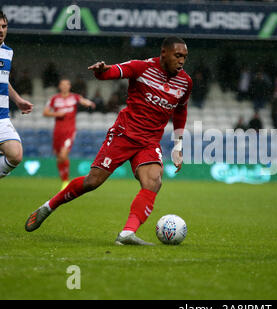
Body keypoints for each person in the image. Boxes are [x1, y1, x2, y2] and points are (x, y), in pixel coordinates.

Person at [25, 37, 192, 246]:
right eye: (178, 56)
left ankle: (126, 234)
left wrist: (178, 144)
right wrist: (101, 70)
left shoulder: (185, 82)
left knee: (154, 182)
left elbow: (180, 112)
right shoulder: (141, 67)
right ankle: (48, 206)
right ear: (164, 53)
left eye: (184, 57)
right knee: (92, 182)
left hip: (149, 142)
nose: (181, 61)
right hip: (124, 134)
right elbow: (112, 72)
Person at [43, 78, 96, 189]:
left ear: (69, 86)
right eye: (63, 84)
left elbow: (83, 100)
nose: (65, 86)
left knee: (63, 155)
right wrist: (57, 114)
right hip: (57, 131)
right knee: (59, 157)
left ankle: (66, 181)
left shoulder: (74, 97)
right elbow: (45, 112)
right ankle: (63, 179)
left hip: (69, 131)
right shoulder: (54, 99)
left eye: (67, 84)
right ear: (60, 86)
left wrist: (89, 103)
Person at [0, 11, 33, 179]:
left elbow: (3, 80)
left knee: (16, 154)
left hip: (2, 116)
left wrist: (18, 100)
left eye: (4, 26)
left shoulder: (7, 51)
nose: (1, 30)